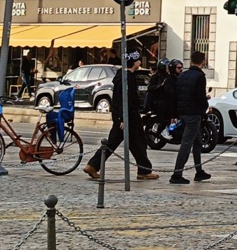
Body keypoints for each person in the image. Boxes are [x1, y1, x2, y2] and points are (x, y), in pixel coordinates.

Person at [84, 51, 157, 181]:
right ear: (134, 62)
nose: (140, 63)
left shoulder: (121, 75)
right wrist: (123, 118)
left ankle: (143, 169)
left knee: (132, 143)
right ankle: (93, 165)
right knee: (133, 142)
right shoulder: (128, 77)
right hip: (129, 115)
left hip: (122, 114)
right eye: (139, 60)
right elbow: (125, 99)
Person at [170, 51, 210, 185]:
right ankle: (177, 173)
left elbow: (176, 96)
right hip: (194, 113)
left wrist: (175, 113)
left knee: (197, 141)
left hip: (183, 112)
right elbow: (200, 96)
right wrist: (205, 106)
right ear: (202, 62)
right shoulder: (199, 76)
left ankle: (199, 171)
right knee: (186, 144)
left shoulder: (182, 75)